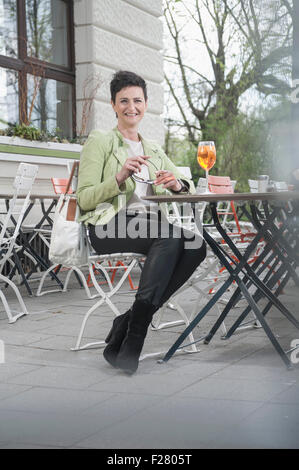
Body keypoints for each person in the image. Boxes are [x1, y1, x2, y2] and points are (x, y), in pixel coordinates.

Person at [77, 70, 206, 375]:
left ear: (146, 104)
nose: (131, 106)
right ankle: (135, 337)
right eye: (124, 101)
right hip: (107, 225)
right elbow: (84, 199)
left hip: (149, 227)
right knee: (170, 237)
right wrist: (119, 177)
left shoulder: (154, 150)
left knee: (196, 244)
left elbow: (187, 183)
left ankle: (128, 322)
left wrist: (176, 185)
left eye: (137, 100)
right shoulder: (101, 140)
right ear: (113, 105)